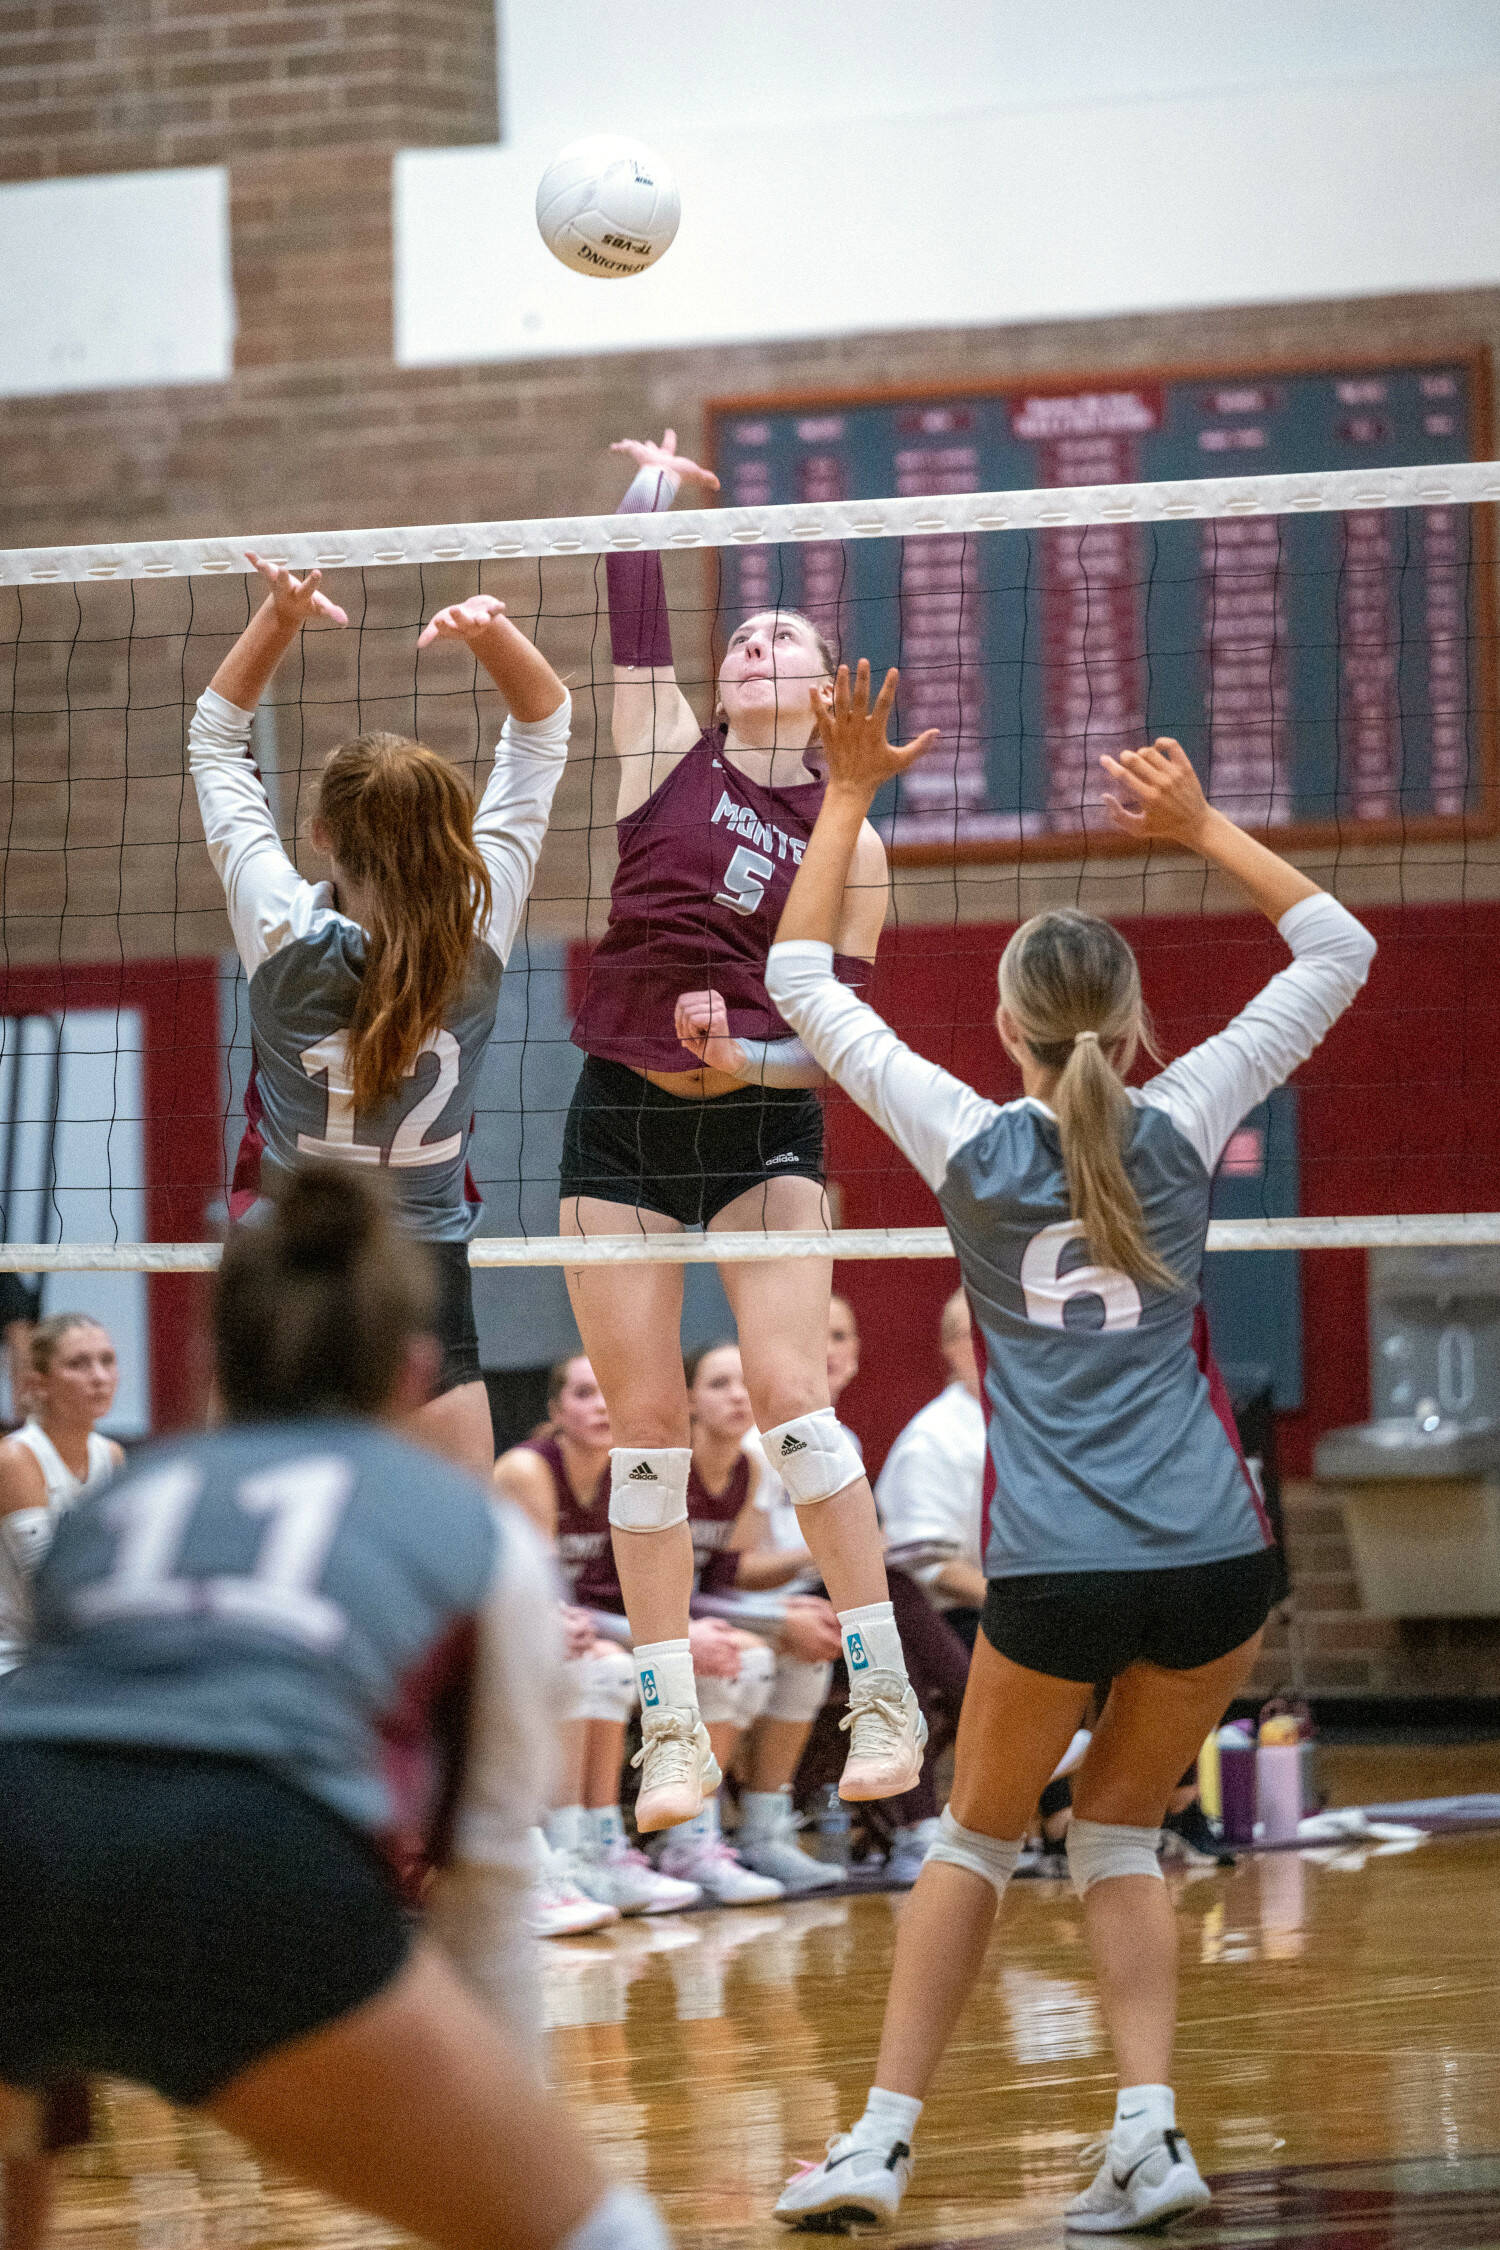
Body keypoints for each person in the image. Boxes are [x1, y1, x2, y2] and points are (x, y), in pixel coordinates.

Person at [765, 681, 1375, 2235]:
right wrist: (1197, 827)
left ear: (1007, 1030)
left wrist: (843, 794)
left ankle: (880, 2146)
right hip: (1218, 1563)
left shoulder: (964, 1137)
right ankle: (1151, 2134)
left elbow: (797, 973)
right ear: (1130, 1021)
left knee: (976, 1835)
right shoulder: (1189, 1107)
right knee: (1117, 1831)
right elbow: (1341, 948)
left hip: (1055, 1570)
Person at [0, 1164, 668, 2250]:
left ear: (217, 1361)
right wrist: (511, 2139)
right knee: (601, 2233)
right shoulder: (475, 1526)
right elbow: (489, 1890)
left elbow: (70, 1745)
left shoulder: (121, 1498)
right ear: (412, 1370)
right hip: (245, 1858)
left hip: (13, 1827)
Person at [559, 430, 926, 1831]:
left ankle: (881, 1684)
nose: (760, 639)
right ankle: (668, 1727)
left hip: (765, 1127)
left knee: (793, 1396)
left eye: (788, 633)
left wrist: (750, 1047)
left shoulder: (857, 841)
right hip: (621, 1124)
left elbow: (840, 1041)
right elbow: (630, 580)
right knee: (645, 1431)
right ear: (719, 677)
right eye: (747, 633)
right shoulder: (664, 747)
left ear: (826, 683)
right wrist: (652, 484)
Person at [191, 556, 572, 1478]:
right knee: (450, 1564)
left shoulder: (282, 931)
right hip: (424, 1269)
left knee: (240, 1539)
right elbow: (545, 728)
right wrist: (493, 633)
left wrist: (277, 620)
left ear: (321, 835)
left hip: (292, 1257)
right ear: (453, 834)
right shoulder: (479, 933)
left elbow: (214, 742)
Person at [495, 1358, 701, 1922]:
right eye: (586, 1394)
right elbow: (535, 1594)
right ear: (556, 1411)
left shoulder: (626, 1471)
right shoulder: (527, 1470)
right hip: (499, 1623)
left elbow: (607, 1598)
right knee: (596, 1665)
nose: (604, 1406)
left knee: (610, 1664)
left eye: (610, 1389)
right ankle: (559, 1854)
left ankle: (601, 1844)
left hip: (577, 1627)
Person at [662, 1342, 842, 1899]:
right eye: (719, 1384)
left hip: (697, 1610)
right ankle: (690, 1841)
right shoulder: (663, 1465)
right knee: (747, 1657)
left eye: (746, 1382)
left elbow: (723, 1579)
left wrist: (783, 1608)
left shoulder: (748, 1465)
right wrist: (771, 1619)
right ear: (688, 1397)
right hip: (635, 1616)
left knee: (809, 1649)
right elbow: (640, 1590)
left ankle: (763, 1832)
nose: (739, 1395)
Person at [0, 1315, 124, 1674]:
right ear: (38, 1384)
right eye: (78, 1364)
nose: (99, 1377)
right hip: (17, 1665)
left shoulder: (111, 1454)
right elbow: (50, 1587)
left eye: (107, 1360)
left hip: (79, 1660)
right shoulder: (15, 1458)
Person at [876, 1292, 987, 1646]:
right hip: (963, 1617)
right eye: (977, 1332)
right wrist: (1028, 1611)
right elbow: (932, 1569)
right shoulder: (933, 1438)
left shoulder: (1044, 1420)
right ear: (950, 1347)